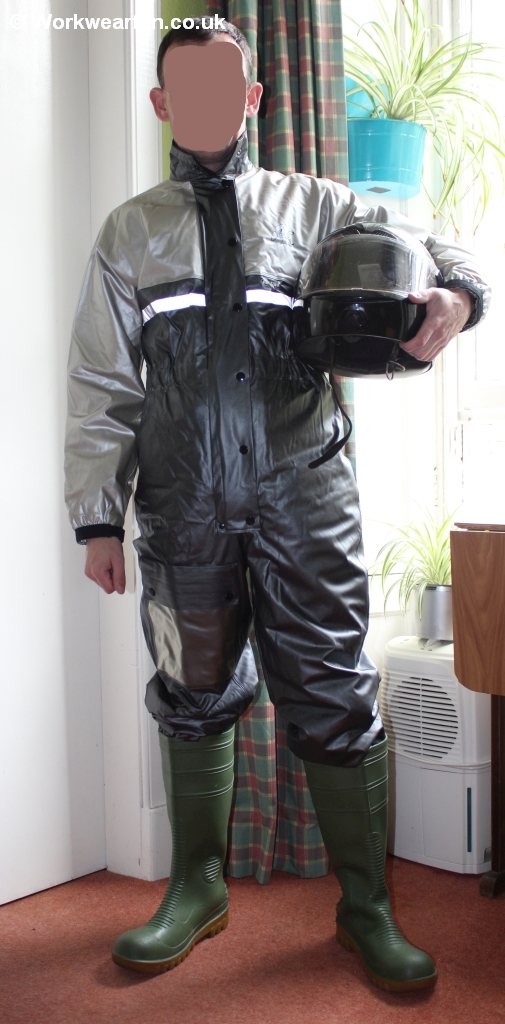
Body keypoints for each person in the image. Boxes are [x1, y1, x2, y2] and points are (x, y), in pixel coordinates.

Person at [64, 18, 489, 992]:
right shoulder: (129, 231)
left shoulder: (320, 205)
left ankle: (365, 908)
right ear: (161, 105)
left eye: (227, 87)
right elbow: (100, 380)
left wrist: (458, 296)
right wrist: (97, 516)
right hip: (183, 504)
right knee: (192, 683)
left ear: (253, 98)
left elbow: (432, 250)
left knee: (333, 687)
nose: (209, 105)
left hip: (307, 492)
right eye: (187, 89)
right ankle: (197, 886)